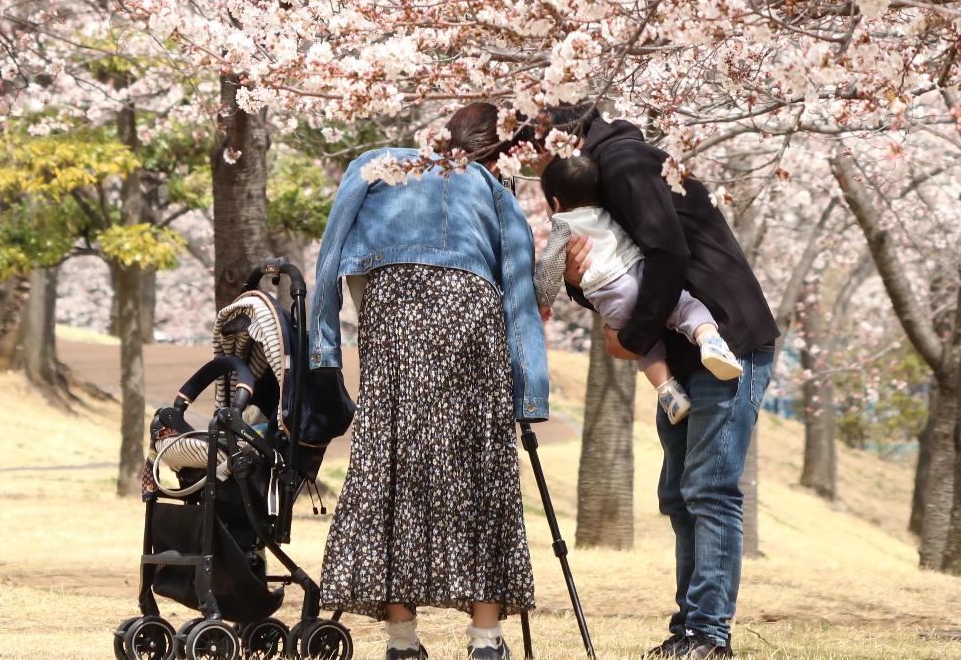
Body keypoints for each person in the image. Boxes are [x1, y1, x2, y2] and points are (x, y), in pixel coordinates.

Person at [536, 103, 778, 660]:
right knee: (679, 495)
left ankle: (709, 635)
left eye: (535, 147)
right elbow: (610, 270)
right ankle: (689, 627)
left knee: (709, 490)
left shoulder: (624, 163)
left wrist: (634, 335)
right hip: (680, 345)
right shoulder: (600, 173)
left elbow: (668, 252)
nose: (534, 160)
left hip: (724, 334)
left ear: (557, 140)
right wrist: (575, 285)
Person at [309, 104, 547, 660]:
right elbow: (519, 294)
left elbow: (329, 258)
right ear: (498, 152)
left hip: (394, 315)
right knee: (482, 465)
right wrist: (529, 391)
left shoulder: (378, 163)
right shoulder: (493, 190)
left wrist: (324, 342)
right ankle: (486, 639)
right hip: (472, 314)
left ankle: (402, 639)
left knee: (392, 461)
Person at [532, 152, 742, 425]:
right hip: (639, 274)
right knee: (684, 305)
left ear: (556, 203)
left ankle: (668, 392)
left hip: (609, 296)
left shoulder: (562, 225)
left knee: (645, 347)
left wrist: (543, 301)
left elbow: (549, 265)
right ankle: (709, 339)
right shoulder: (607, 211)